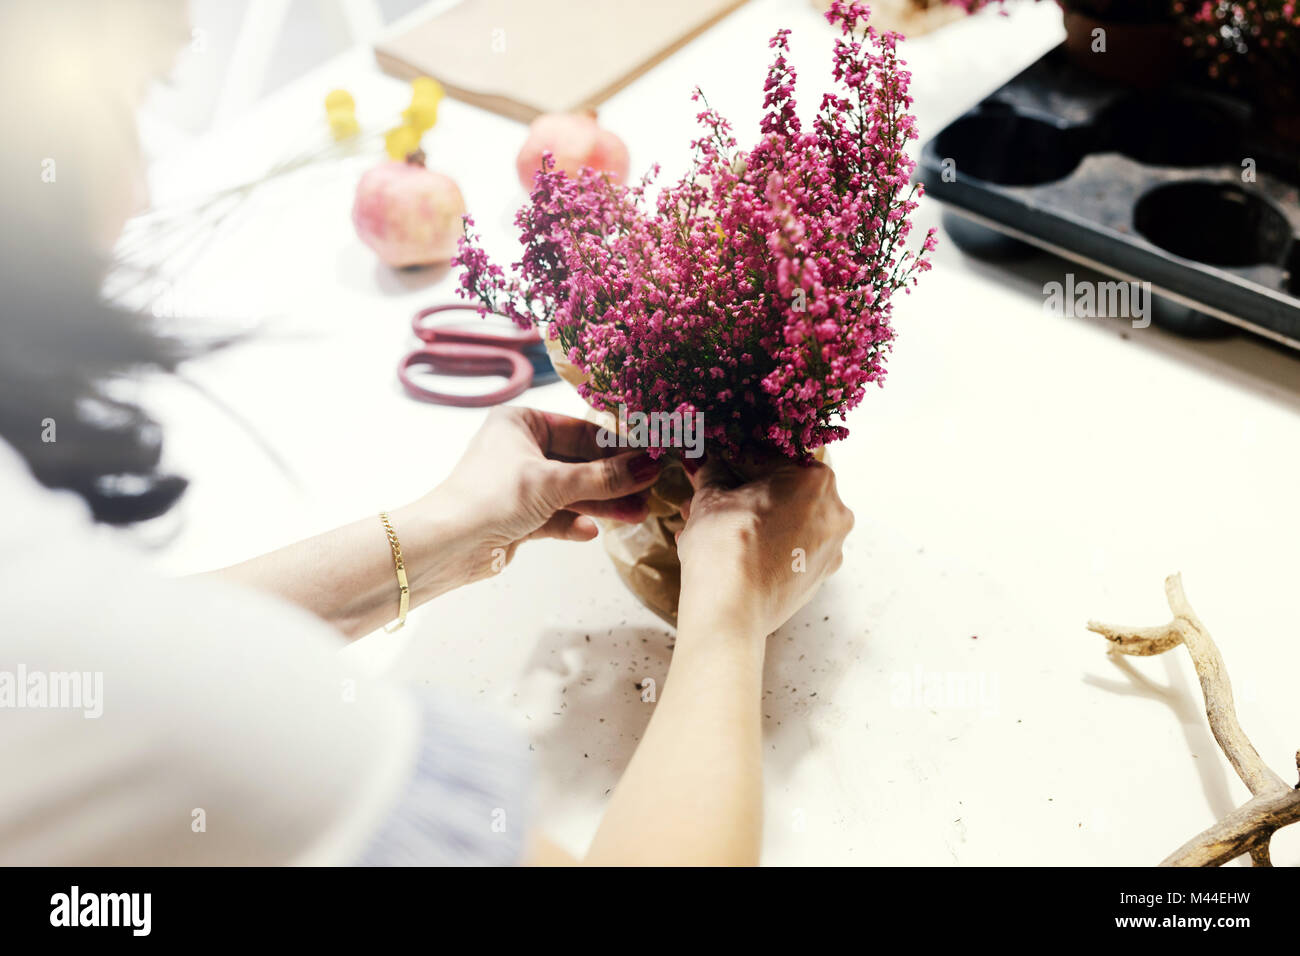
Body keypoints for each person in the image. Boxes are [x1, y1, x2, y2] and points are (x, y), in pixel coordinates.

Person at [0, 0, 852, 866]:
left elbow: (124, 654)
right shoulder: (204, 739)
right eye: (137, 92)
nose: (140, 190)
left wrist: (448, 529)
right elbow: (121, 673)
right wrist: (732, 608)